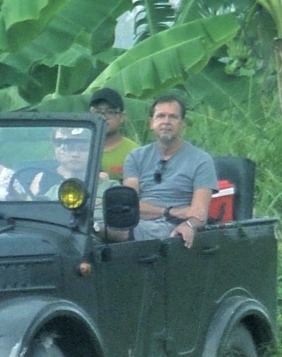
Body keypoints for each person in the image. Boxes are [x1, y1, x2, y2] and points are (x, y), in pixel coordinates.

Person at [114, 95, 216, 247]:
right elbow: (129, 206)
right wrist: (170, 211)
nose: (166, 122)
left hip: (170, 229)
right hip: (138, 222)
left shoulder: (201, 160)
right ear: (151, 123)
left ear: (182, 124)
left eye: (173, 117)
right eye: (161, 116)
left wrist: (188, 225)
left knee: (110, 231)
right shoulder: (136, 157)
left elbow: (199, 214)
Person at [22, 127, 95, 199]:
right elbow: (29, 208)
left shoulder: (97, 179)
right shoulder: (42, 178)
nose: (75, 154)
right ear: (56, 149)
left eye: (83, 149)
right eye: (69, 148)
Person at [89, 88, 138, 177]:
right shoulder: (81, 148)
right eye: (97, 112)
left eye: (110, 112)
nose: (103, 117)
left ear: (122, 117)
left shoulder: (134, 152)